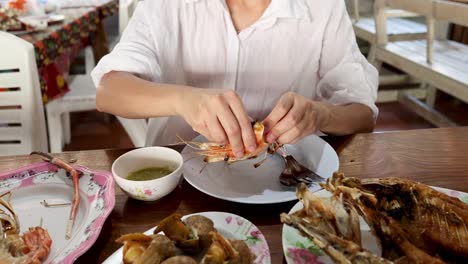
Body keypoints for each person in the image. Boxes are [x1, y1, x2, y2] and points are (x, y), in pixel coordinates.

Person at [92, 0, 378, 159]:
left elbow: (363, 114)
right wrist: (184, 100)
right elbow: (109, 91)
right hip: (178, 175)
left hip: (287, 180)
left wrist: (320, 114)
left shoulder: (322, 7)